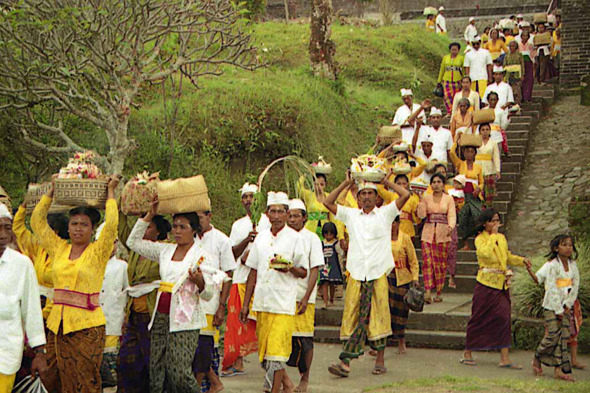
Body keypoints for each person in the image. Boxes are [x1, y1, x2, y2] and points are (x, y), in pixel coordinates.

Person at [32, 176, 119, 393]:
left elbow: (112, 226)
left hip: (87, 328)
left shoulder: (98, 251)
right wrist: (51, 192)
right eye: (74, 224)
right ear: (68, 228)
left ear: (92, 230)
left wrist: (110, 193)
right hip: (57, 325)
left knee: (85, 381)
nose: (78, 229)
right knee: (53, 378)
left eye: (84, 225)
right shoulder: (58, 248)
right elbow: (37, 223)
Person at [126, 198, 221, 393]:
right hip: (160, 316)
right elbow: (132, 242)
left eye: (182, 227)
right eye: (175, 226)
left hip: (184, 319)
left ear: (194, 230)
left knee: (178, 371)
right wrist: (149, 214)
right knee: (157, 369)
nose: (177, 231)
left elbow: (209, 294)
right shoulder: (165, 250)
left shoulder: (202, 256)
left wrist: (200, 282)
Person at [324, 173, 409, 378]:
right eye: (364, 194)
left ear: (377, 196)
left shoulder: (385, 214)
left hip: (377, 272)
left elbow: (405, 195)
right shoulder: (351, 215)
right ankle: (346, 362)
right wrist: (346, 183)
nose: (368, 197)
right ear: (359, 197)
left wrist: (386, 182)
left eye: (371, 193)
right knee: (353, 316)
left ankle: (376, 360)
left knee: (379, 316)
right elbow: (327, 201)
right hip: (356, 273)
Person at [239, 191, 307, 393]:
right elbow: (252, 272)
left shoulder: (295, 239)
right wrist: (245, 304)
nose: (276, 216)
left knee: (277, 353)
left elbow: (303, 271)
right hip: (262, 302)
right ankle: (286, 386)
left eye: (280, 212)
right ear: (267, 214)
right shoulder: (260, 238)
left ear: (287, 214)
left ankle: (273, 390)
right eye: (273, 211)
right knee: (266, 353)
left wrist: (289, 268)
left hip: (283, 304)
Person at [461, 209, 531, 368]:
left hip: (501, 284)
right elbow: (485, 254)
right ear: (485, 223)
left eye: (497, 220)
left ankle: (504, 357)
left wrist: (522, 261)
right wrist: (492, 235)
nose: (495, 224)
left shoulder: (502, 238)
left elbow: (507, 256)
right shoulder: (480, 239)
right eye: (492, 221)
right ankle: (468, 352)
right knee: (478, 317)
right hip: (485, 283)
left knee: (504, 317)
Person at [117, 212, 171, 393]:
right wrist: (120, 209)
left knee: (152, 362)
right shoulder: (134, 250)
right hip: (134, 313)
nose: (144, 230)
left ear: (158, 232)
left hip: (153, 315)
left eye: (149, 227)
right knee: (127, 361)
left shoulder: (164, 251)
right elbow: (122, 229)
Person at [222, 183, 270, 377]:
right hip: (241, 278)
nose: (248, 201)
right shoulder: (238, 225)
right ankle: (236, 361)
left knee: (262, 322)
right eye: (245, 197)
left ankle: (270, 361)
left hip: (264, 280)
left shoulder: (268, 222)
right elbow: (231, 254)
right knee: (236, 323)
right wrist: (247, 241)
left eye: (252, 197)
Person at [0, 203, 47, 392]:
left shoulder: (22, 264)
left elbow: (32, 310)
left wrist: (40, 352)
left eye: (7, 228)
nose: (2, 235)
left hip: (5, 356)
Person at [193, 209, 236, 393]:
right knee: (191, 346)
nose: (198, 221)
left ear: (210, 216)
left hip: (210, 303)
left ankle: (205, 384)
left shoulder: (221, 240)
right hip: (188, 302)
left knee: (203, 346)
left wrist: (221, 306)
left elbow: (228, 274)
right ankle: (213, 382)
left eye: (200, 217)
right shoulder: (189, 237)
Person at [527, 235, 578, 382]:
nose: (568, 248)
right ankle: (538, 355)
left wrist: (568, 304)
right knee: (552, 334)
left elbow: (575, 285)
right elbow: (551, 287)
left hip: (566, 306)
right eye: (564, 245)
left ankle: (559, 370)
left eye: (570, 245)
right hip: (551, 305)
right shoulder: (552, 265)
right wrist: (559, 310)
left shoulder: (573, 265)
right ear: (556, 248)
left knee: (564, 337)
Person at [286, 199, 324, 393]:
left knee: (305, 339)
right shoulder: (282, 237)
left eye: (296, 216)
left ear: (304, 218)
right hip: (283, 296)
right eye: (289, 216)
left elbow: (314, 270)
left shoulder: (312, 239)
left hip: (303, 295)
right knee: (283, 339)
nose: (292, 220)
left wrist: (306, 297)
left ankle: (305, 379)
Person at [13, 204, 69, 321]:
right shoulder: (40, 248)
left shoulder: (67, 253)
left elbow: (64, 290)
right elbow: (19, 230)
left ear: (55, 231)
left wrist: (44, 315)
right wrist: (23, 207)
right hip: (36, 306)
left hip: (55, 311)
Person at [96, 223, 129, 388]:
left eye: (114, 241)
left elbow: (128, 294)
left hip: (114, 322)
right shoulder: (91, 265)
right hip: (93, 324)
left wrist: (126, 319)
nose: (111, 245)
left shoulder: (122, 267)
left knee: (110, 369)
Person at [417, 173, 456, 303]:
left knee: (440, 264)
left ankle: (439, 290)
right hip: (427, 233)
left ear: (443, 184)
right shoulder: (426, 198)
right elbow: (421, 215)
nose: (436, 184)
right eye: (434, 182)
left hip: (443, 234)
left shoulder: (449, 198)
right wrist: (420, 201)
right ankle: (427, 290)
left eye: (439, 182)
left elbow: (451, 214)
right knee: (427, 262)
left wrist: (451, 226)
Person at [388, 215, 419, 354]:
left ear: (398, 223)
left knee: (401, 311)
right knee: (385, 309)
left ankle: (401, 341)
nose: (391, 226)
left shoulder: (405, 238)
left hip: (402, 278)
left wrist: (415, 278)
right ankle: (380, 344)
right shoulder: (381, 238)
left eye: (393, 223)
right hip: (386, 277)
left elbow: (413, 260)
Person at [450, 138, 484, 251]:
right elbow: (451, 152)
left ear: (475, 153)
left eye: (471, 151)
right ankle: (465, 243)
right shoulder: (460, 164)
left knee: (476, 216)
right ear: (464, 153)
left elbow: (481, 182)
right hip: (463, 195)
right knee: (463, 217)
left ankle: (479, 241)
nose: (469, 154)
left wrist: (479, 188)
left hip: (474, 196)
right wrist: (457, 139)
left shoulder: (478, 167)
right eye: (467, 151)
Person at [297, 174, 345, 244]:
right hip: (310, 227)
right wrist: (306, 175)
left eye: (321, 184)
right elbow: (299, 187)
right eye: (316, 184)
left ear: (325, 184)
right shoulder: (309, 195)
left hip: (325, 229)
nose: (319, 187)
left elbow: (333, 216)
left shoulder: (329, 196)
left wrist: (336, 233)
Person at [378, 174, 421, 239]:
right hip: (393, 229)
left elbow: (417, 218)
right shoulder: (391, 196)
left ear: (408, 185)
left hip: (407, 230)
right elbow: (379, 188)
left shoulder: (413, 198)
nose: (401, 186)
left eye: (404, 183)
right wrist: (389, 175)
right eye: (398, 184)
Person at [475, 123, 501, 209]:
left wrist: (498, 170)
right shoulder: (476, 142)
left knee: (489, 193)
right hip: (478, 168)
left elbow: (496, 156)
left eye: (487, 129)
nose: (485, 132)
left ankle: (489, 210)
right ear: (479, 131)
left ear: (490, 131)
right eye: (483, 130)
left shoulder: (493, 143)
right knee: (479, 193)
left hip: (489, 169)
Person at [319, 222, 344, 308]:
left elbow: (341, 252)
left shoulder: (336, 243)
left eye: (331, 234)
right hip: (324, 266)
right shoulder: (322, 243)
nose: (329, 236)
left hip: (333, 266)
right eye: (326, 234)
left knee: (332, 283)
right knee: (324, 282)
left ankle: (331, 299)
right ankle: (325, 302)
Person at [437, 42, 465, 115]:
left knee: (456, 96)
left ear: (458, 50)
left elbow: (464, 70)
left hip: (457, 80)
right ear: (450, 50)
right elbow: (442, 69)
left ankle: (456, 111)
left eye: (456, 50)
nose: (454, 51)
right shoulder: (445, 58)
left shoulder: (461, 58)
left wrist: (464, 80)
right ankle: (450, 111)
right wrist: (439, 81)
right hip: (447, 80)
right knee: (447, 96)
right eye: (453, 49)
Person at [486, 92, 511, 156]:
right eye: (491, 100)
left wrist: (508, 117)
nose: (493, 102)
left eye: (494, 100)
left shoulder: (500, 111)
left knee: (496, 157)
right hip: (486, 136)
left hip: (497, 136)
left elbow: (503, 126)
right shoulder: (484, 111)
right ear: (488, 100)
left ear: (497, 100)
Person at [503, 40, 525, 105]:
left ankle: (518, 103)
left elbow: (522, 65)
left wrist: (523, 74)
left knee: (517, 89)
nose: (511, 47)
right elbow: (504, 65)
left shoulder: (519, 55)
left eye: (513, 46)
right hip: (509, 74)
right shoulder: (506, 56)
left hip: (517, 74)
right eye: (510, 46)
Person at [517, 28, 535, 102]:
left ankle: (527, 97)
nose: (525, 37)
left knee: (529, 80)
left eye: (526, 36)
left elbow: (532, 56)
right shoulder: (518, 45)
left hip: (529, 64)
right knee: (522, 81)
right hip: (521, 64)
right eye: (523, 36)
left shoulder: (530, 45)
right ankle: (522, 97)